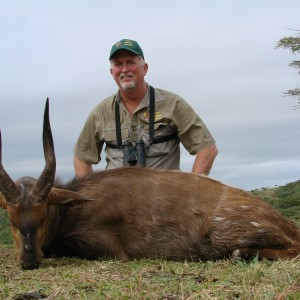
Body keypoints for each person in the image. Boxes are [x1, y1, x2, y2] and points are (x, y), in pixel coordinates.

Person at [73, 39, 218, 177]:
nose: (124, 69)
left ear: (145, 68)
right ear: (112, 73)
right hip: (116, 202)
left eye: (131, 62)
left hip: (164, 200)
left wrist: (191, 193)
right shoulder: (101, 112)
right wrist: (88, 200)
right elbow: (81, 157)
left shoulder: (173, 104)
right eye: (118, 64)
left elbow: (208, 149)